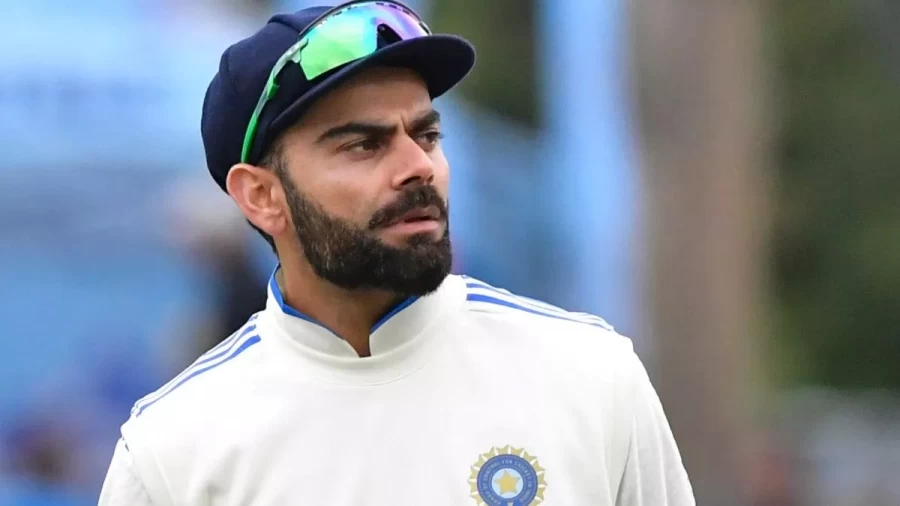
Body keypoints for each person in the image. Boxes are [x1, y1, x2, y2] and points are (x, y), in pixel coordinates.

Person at [98, 1, 695, 504]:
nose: (418, 166)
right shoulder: (171, 453)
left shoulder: (592, 379)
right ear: (261, 196)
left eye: (427, 134)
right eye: (364, 144)